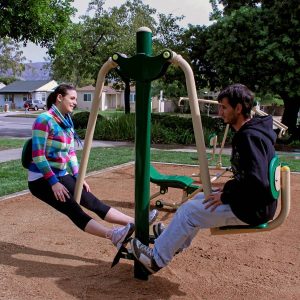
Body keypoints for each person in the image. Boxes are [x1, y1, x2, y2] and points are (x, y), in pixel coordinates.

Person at [130, 83, 278, 273]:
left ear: (239, 108)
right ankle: (175, 240)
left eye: (224, 107)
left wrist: (226, 196)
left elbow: (258, 181)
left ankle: (156, 260)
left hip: (253, 209)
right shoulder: (254, 133)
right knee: (200, 199)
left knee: (189, 212)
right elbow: (251, 176)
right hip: (254, 202)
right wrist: (227, 189)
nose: (219, 112)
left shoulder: (249, 137)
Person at [27, 84, 158, 249]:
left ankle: (137, 222)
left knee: (92, 201)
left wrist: (78, 176)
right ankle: (113, 235)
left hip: (60, 173)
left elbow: (71, 152)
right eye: (72, 98)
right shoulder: (44, 120)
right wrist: (53, 183)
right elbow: (37, 155)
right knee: (73, 208)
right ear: (60, 97)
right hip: (41, 179)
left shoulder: (66, 121)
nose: (75, 102)